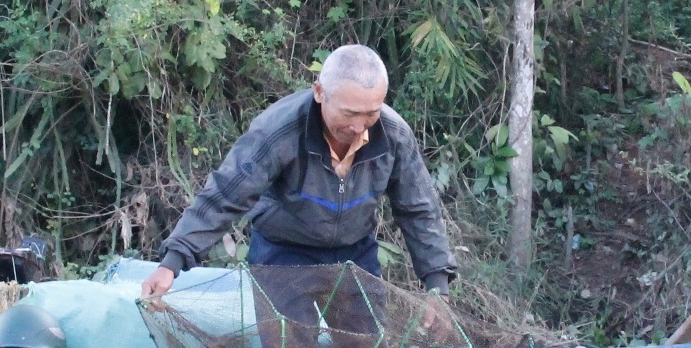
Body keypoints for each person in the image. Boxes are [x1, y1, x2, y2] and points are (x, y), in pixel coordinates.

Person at [139, 44, 457, 301]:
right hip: (283, 252)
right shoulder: (278, 131)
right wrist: (173, 262)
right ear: (320, 92)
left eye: (371, 113)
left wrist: (437, 282)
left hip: (354, 254)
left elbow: (418, 208)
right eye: (349, 113)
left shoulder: (393, 135)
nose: (359, 126)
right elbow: (226, 195)